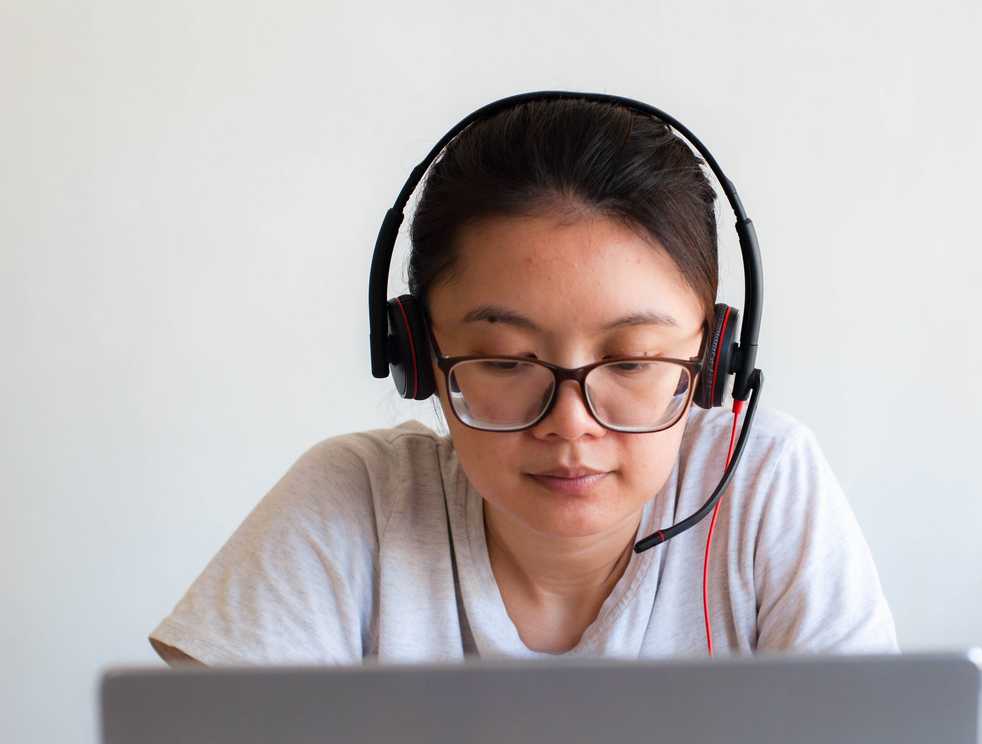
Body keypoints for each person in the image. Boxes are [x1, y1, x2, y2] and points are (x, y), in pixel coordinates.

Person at [148, 97, 898, 666]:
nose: (570, 424)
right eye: (507, 361)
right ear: (418, 354)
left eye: (632, 362)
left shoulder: (764, 486)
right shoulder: (355, 503)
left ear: (712, 364)